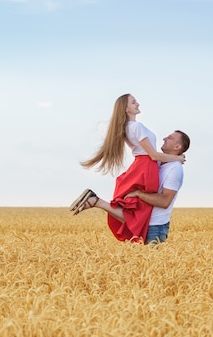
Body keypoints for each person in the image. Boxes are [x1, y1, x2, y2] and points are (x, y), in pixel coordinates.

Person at [70, 93, 185, 243]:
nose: (137, 104)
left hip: (141, 165)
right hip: (147, 166)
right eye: (133, 102)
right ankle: (96, 201)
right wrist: (178, 158)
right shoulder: (137, 127)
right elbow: (154, 155)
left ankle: (96, 201)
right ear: (125, 109)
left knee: (136, 211)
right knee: (140, 212)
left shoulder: (126, 128)